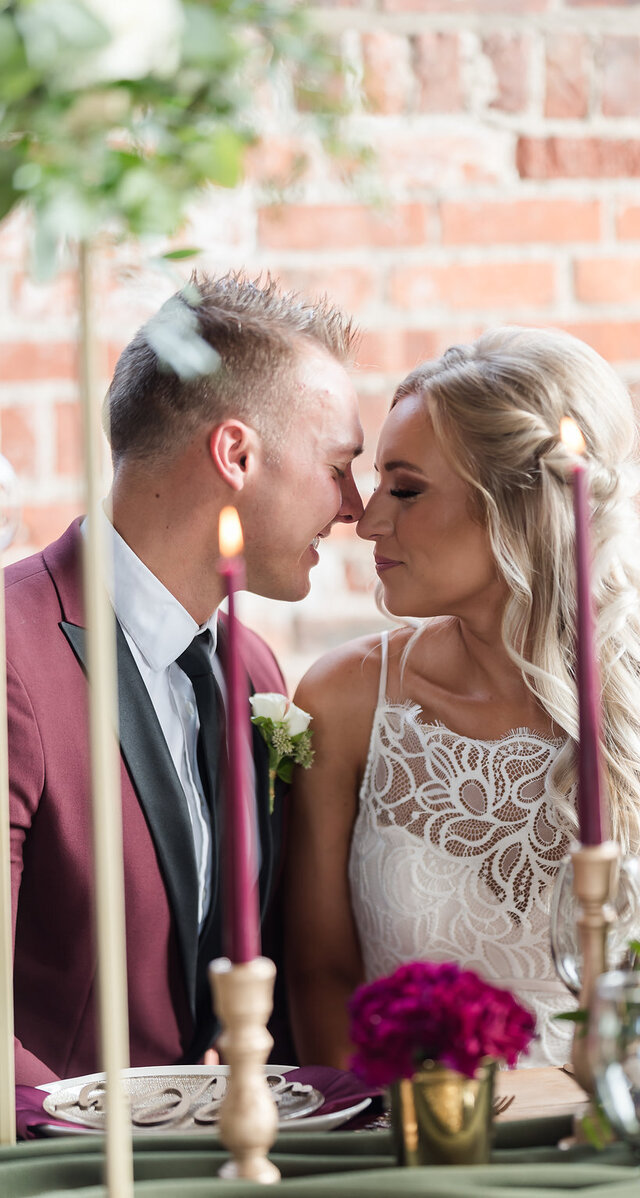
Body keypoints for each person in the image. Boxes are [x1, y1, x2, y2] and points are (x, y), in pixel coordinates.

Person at [285, 325, 640, 1068]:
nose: (367, 521)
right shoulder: (347, 701)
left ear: (519, 506)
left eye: (407, 490)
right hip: (426, 1155)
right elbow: (319, 978)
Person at [7, 271, 364, 1085]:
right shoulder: (10, 657)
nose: (355, 505)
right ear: (236, 453)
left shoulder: (254, 670)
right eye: (340, 465)